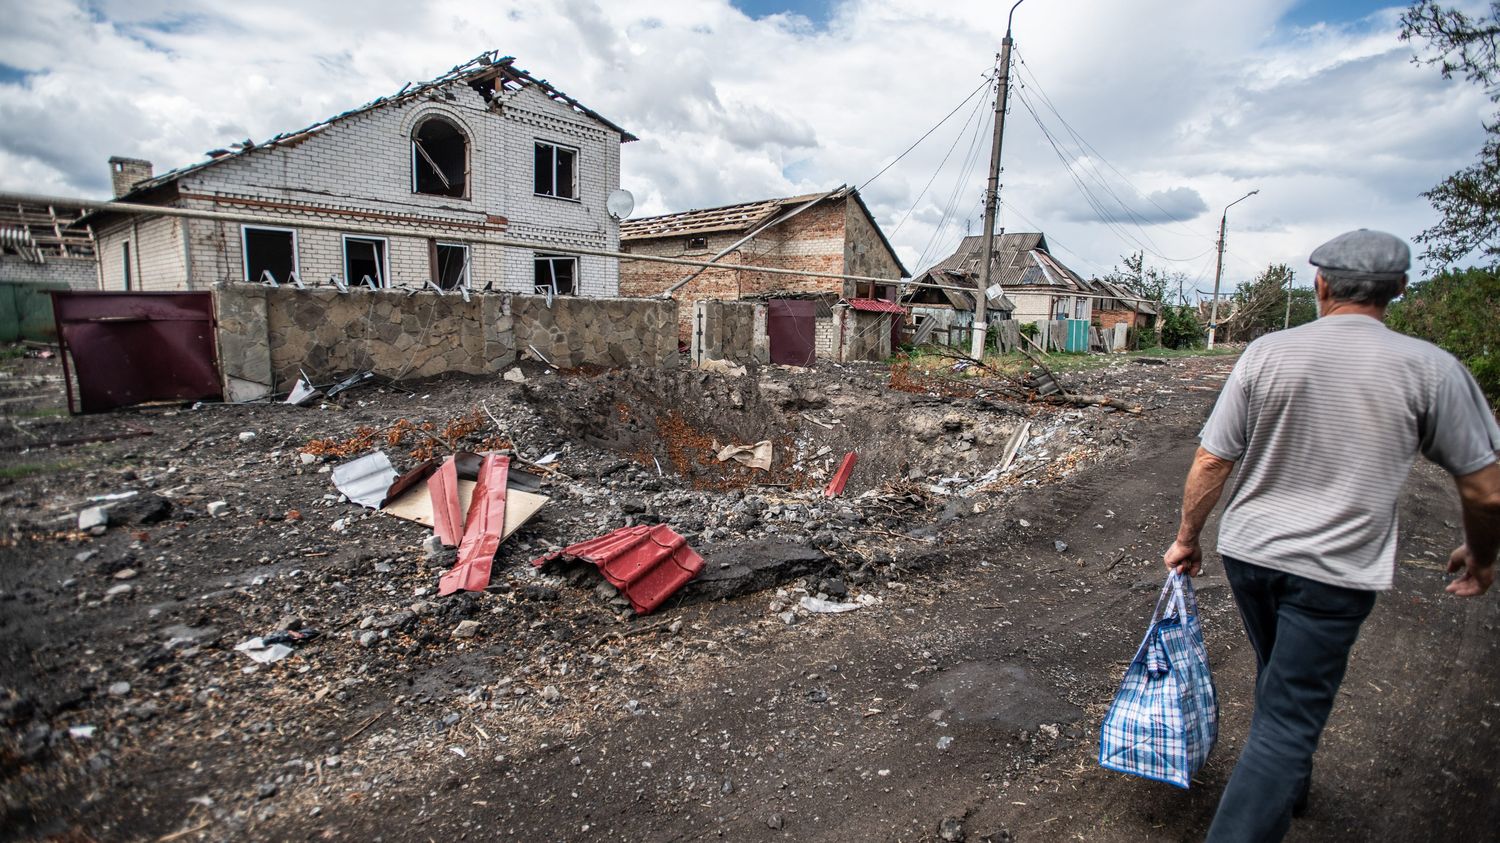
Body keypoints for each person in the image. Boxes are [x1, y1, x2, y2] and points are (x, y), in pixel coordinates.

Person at [1161, 229, 1500, 843]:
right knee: (1288, 719)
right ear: (1398, 290)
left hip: (1250, 555)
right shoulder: (1431, 369)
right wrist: (1482, 556)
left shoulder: (1266, 354)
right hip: (1333, 572)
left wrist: (1188, 536)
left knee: (1279, 676)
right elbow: (1487, 490)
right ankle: (1275, 785)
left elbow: (1213, 460)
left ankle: (1288, 785)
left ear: (1319, 284)